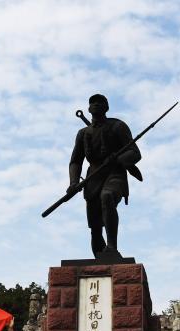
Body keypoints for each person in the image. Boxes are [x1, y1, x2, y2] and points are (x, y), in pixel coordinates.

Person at [68, 93, 142, 258]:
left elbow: (135, 153)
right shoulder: (83, 133)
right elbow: (75, 161)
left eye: (100, 102)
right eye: (92, 103)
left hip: (114, 173)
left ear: (107, 107)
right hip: (93, 178)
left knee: (107, 197)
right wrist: (73, 182)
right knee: (95, 228)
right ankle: (100, 255)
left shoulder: (117, 126)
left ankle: (111, 246)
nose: (96, 105)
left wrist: (118, 159)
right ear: (88, 108)